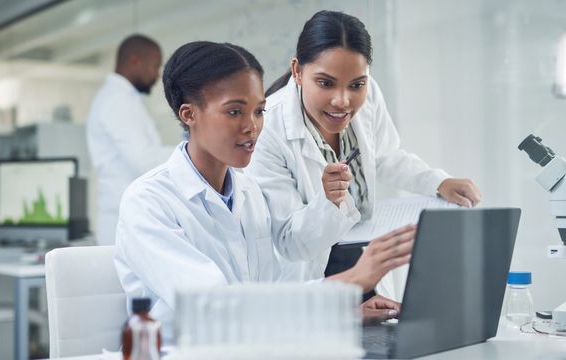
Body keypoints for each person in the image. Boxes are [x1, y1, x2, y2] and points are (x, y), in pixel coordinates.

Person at [114, 41, 416, 345]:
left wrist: (341, 313)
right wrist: (350, 280)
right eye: (234, 112)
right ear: (189, 114)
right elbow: (216, 308)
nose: (252, 126)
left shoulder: (248, 193)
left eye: (259, 111)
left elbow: (271, 297)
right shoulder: (148, 202)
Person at [245, 10, 482, 298]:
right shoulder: (268, 128)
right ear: (297, 71)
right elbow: (290, 243)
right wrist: (329, 201)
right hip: (312, 278)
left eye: (356, 84)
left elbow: (384, 156)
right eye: (325, 83)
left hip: (364, 261)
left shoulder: (369, 94)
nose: (343, 100)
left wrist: (437, 182)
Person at [87, 34, 173, 245]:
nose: (157, 74)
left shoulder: (123, 99)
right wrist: (197, 150)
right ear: (135, 61)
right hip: (121, 220)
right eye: (155, 66)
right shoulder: (117, 100)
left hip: (127, 216)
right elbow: (144, 161)